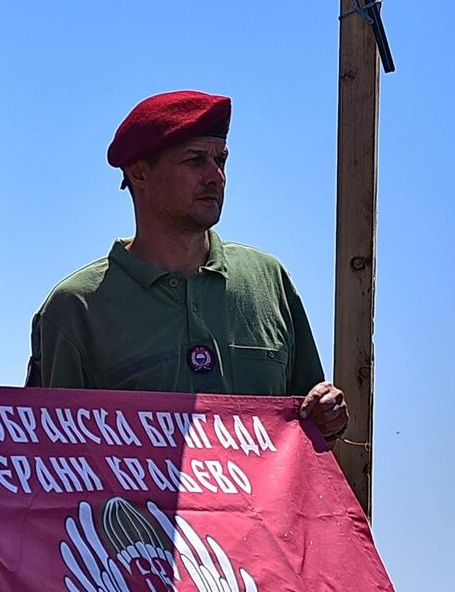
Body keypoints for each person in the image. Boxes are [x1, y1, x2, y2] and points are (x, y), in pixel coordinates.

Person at [26, 89, 348, 442]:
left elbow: (309, 435)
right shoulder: (76, 308)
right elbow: (52, 458)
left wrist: (326, 416)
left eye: (221, 160)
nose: (216, 176)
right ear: (139, 173)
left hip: (260, 501)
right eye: (195, 160)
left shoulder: (267, 280)